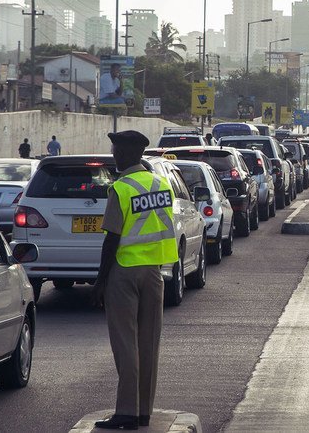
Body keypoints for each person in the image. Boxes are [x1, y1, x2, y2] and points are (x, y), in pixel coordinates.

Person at [91, 130, 178, 430]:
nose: (113, 155)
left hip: (124, 270)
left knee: (126, 345)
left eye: (116, 151)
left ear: (129, 153)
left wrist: (100, 281)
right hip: (154, 272)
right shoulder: (161, 184)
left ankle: (127, 413)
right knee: (149, 344)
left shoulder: (121, 188)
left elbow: (111, 239)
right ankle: (143, 412)